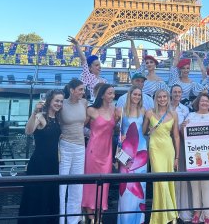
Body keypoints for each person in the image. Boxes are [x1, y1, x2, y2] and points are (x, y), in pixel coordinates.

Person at [19, 89, 64, 224]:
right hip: (39, 163)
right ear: (49, 101)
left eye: (61, 101)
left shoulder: (57, 119)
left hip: (53, 163)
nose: (59, 103)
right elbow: (28, 131)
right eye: (57, 100)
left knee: (49, 195)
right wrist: (34, 113)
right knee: (37, 195)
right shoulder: (40, 117)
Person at [181, 92, 209, 224]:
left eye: (207, 101)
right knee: (195, 186)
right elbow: (183, 134)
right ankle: (197, 213)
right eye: (202, 101)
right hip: (194, 156)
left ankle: (208, 215)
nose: (204, 103)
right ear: (198, 102)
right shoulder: (191, 116)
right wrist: (183, 128)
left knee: (208, 186)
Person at [143, 89, 180, 224]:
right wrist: (149, 130)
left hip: (168, 150)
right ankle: (170, 215)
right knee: (160, 183)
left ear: (168, 98)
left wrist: (177, 157)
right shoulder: (149, 113)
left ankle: (168, 215)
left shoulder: (174, 114)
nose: (162, 99)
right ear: (156, 98)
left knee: (169, 182)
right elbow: (144, 131)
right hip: (155, 149)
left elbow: (176, 136)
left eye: (164, 96)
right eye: (160, 97)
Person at [82, 84, 117, 221]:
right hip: (93, 151)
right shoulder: (91, 110)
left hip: (107, 152)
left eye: (113, 93)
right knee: (90, 183)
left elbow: (116, 129)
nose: (112, 96)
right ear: (102, 95)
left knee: (105, 183)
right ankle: (90, 215)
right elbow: (80, 127)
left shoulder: (115, 110)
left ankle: (99, 215)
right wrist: (90, 134)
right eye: (109, 93)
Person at [117, 85, 148, 224]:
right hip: (125, 151)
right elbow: (114, 129)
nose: (136, 97)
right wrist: (120, 138)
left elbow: (146, 130)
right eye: (134, 94)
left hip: (141, 149)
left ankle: (138, 220)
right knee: (126, 187)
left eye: (139, 95)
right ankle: (125, 220)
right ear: (129, 95)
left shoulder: (144, 110)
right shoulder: (121, 111)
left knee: (140, 185)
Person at [59, 79, 88, 224]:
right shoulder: (62, 104)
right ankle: (60, 218)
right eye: (80, 89)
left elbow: (85, 124)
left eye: (83, 89)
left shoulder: (84, 103)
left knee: (77, 185)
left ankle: (73, 219)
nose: (83, 92)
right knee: (62, 184)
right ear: (72, 90)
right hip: (65, 145)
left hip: (80, 147)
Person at [171, 84, 193, 222]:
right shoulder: (164, 107)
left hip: (181, 144)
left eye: (179, 92)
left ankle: (181, 209)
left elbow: (187, 130)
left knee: (180, 177)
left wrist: (183, 128)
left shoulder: (185, 110)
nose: (177, 94)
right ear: (171, 93)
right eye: (175, 92)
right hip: (165, 143)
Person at [68, 36, 107, 103]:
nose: (100, 67)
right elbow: (84, 60)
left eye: (100, 65)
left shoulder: (104, 80)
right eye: (97, 65)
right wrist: (77, 44)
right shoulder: (88, 76)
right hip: (92, 104)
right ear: (89, 68)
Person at [169, 40, 206, 107]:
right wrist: (178, 46)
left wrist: (197, 57)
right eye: (183, 68)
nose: (186, 70)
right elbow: (176, 61)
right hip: (172, 105)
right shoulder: (175, 79)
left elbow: (203, 72)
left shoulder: (192, 83)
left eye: (187, 68)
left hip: (184, 106)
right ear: (180, 69)